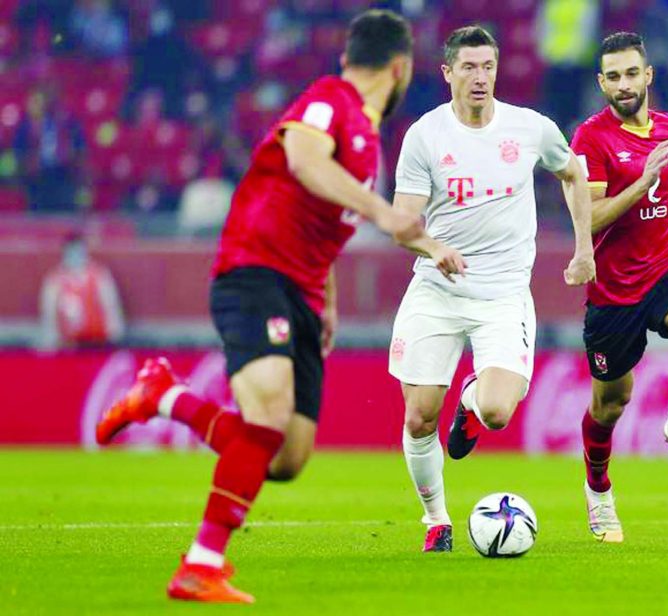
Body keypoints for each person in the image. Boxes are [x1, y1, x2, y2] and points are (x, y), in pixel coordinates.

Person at [95, 10, 426, 603]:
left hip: (301, 292)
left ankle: (163, 394)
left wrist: (326, 300)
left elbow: (321, 224)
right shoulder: (330, 99)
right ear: (400, 67)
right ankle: (201, 563)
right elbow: (302, 159)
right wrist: (383, 214)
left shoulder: (369, 144)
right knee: (268, 417)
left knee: (286, 456)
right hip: (256, 273)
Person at [388, 26, 596, 553]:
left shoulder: (529, 128)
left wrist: (584, 247)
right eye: (469, 68)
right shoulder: (425, 136)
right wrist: (433, 248)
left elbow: (573, 173)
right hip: (436, 290)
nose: (480, 77)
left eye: (488, 67)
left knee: (498, 411)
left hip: (502, 296)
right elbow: (402, 222)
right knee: (417, 416)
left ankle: (471, 403)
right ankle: (435, 519)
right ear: (448, 72)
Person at [570, 32, 668, 544]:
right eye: (613, 77)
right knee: (610, 405)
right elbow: (589, 219)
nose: (623, 85)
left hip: (666, 265)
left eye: (631, 73)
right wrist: (639, 183)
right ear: (601, 83)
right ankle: (598, 490)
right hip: (614, 290)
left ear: (648, 74)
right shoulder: (590, 139)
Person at [38, 232, 125, 349]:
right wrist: (50, 338)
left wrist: (115, 330)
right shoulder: (55, 280)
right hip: (68, 344)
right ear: (65, 253)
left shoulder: (99, 275)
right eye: (71, 252)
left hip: (98, 341)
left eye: (79, 252)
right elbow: (48, 313)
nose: (75, 256)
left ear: (85, 252)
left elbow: (111, 305)